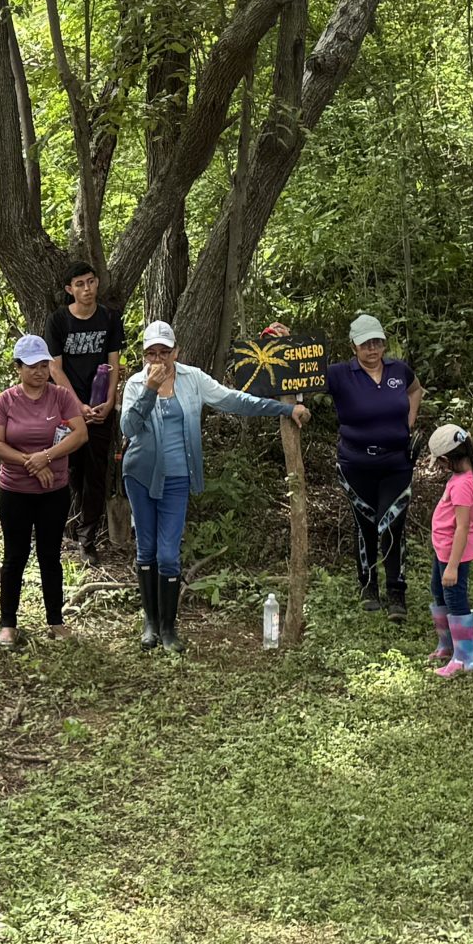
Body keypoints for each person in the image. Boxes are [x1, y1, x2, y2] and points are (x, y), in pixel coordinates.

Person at [118, 322, 307, 653]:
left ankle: (169, 628)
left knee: (168, 554)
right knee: (146, 549)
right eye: (151, 353)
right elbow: (130, 427)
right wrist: (149, 390)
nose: (159, 358)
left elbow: (234, 400)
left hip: (177, 478)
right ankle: (150, 624)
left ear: (176, 352)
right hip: (141, 476)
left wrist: (285, 408)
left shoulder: (192, 379)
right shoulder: (136, 383)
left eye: (165, 351)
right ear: (144, 355)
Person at [0, 335, 87, 647]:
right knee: (15, 555)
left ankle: (55, 620)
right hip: (15, 491)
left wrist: (46, 458)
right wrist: (30, 462)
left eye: (44, 365)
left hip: (53, 492)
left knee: (50, 556)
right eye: (32, 366)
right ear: (18, 367)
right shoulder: (6, 401)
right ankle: (8, 623)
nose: (39, 371)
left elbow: (80, 433)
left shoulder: (61, 398)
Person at [324, 314, 423, 618]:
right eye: (366, 343)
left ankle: (396, 592)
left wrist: (408, 424)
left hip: (396, 461)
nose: (373, 348)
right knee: (365, 523)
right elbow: (300, 379)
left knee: (391, 522)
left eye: (377, 342)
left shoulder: (398, 370)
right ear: (353, 345)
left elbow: (415, 390)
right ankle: (368, 586)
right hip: (355, 463)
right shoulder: (340, 374)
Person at [42, 264, 129, 559]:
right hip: (68, 408)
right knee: (67, 468)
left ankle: (87, 536)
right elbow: (55, 367)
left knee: (95, 471)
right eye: (80, 284)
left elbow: (114, 361)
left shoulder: (109, 318)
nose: (87, 289)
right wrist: (77, 405)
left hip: (101, 408)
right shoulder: (58, 321)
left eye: (91, 282)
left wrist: (108, 400)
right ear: (70, 290)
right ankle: (60, 526)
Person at [426, 426, 473, 678]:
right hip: (444, 549)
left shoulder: (462, 485)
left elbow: (462, 527)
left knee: (455, 599)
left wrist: (452, 565)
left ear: (446, 460)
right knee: (439, 591)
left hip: (453, 552)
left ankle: (465, 657)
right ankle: (447, 644)